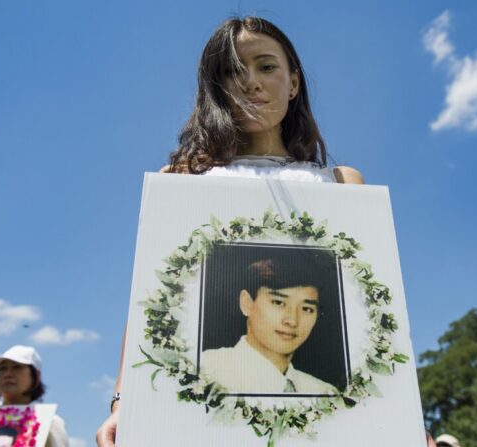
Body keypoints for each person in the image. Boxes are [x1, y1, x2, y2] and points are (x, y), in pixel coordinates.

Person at [96, 15, 364, 447]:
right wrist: (124, 400)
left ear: (294, 83)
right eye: (233, 71)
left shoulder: (342, 183)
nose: (251, 83)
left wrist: (404, 410)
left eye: (266, 67)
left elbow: (367, 309)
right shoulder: (180, 181)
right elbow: (150, 301)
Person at [201, 254, 336, 394]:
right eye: (278, 303)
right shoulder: (206, 373)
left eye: (307, 309)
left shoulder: (323, 393)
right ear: (246, 303)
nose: (292, 321)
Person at [0, 345, 70, 447]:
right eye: (2, 368)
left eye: (17, 367)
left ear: (36, 376)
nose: (7, 374)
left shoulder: (50, 423)